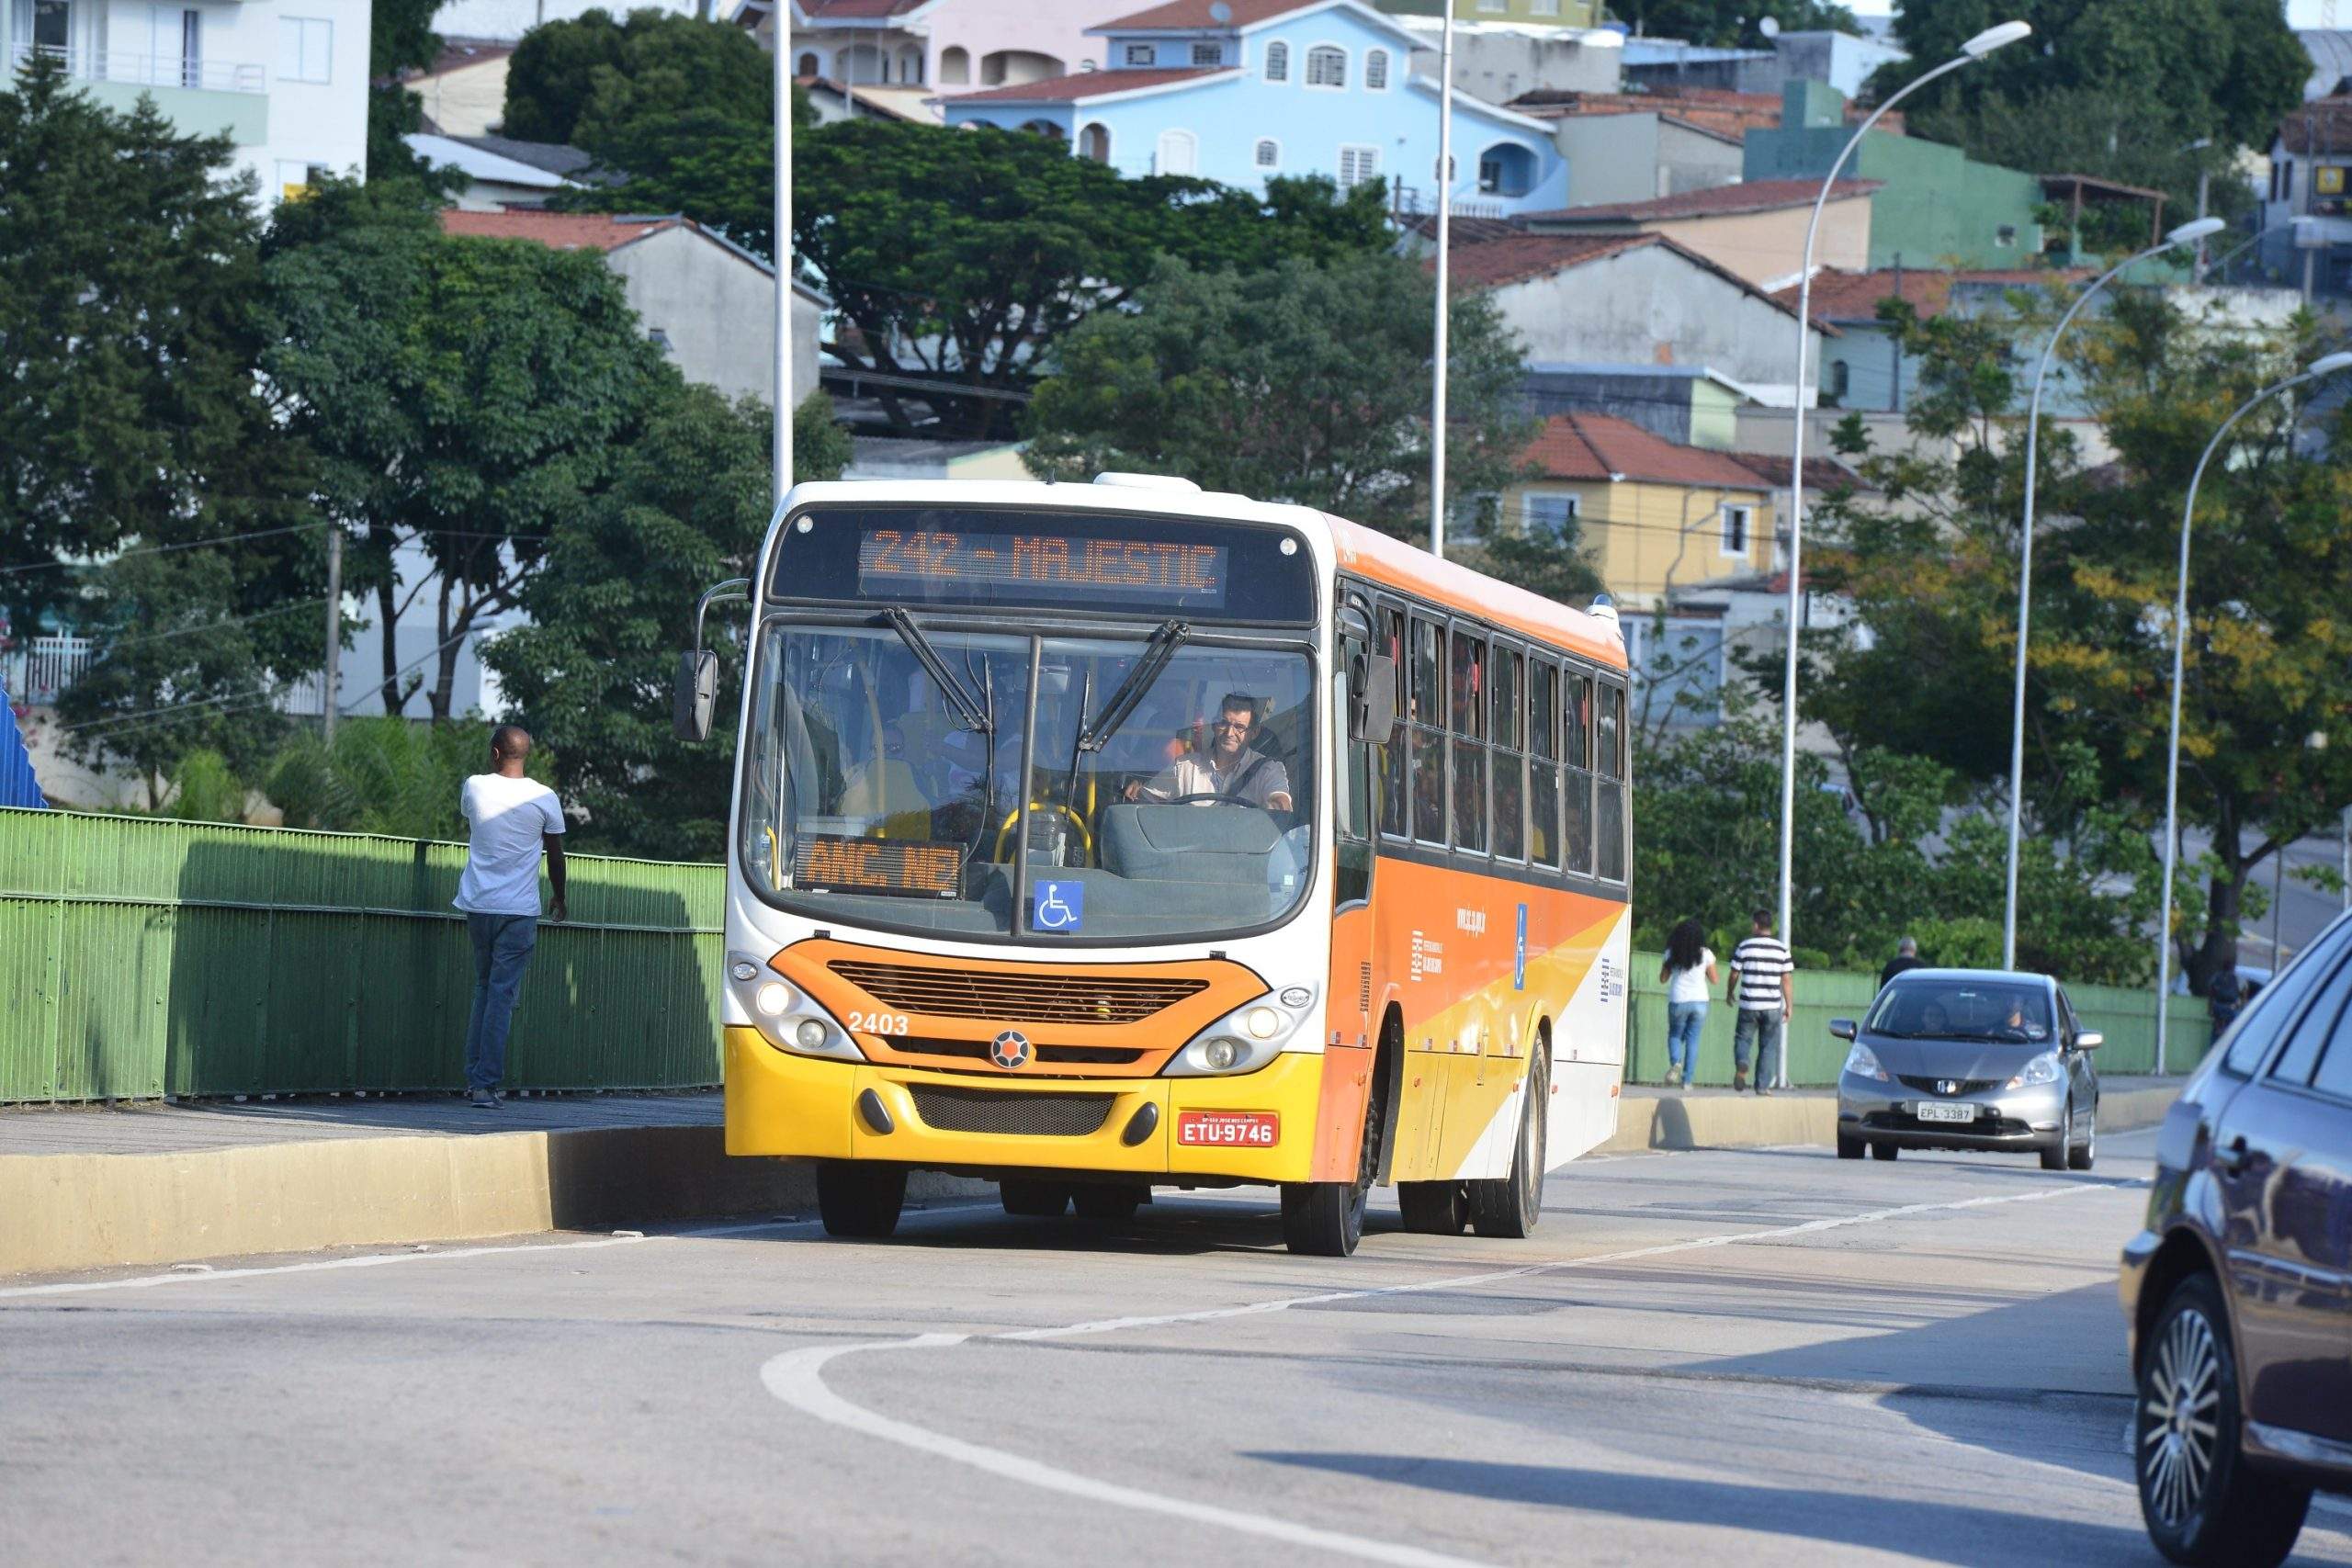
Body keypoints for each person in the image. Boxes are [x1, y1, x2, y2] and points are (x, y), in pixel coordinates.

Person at [454, 726, 567, 1108]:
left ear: (496, 753)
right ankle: (485, 1084)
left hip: (478, 905)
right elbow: (555, 855)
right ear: (525, 754)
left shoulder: (474, 787)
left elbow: (470, 820)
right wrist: (559, 897)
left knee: (483, 989)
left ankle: (476, 1081)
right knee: (501, 996)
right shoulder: (543, 797)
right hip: (518, 911)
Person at [1126, 693, 1293, 811]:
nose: (1229, 733)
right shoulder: (1184, 766)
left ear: (1254, 733)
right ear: (1214, 725)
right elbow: (1148, 805)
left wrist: (1276, 806)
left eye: (1239, 727)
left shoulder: (1267, 769)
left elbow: (1280, 801)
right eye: (1224, 723)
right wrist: (1136, 789)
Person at [1727, 908, 1794, 1095]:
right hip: (1772, 1006)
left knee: (1743, 1039)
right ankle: (1762, 1086)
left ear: (1756, 925)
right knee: (1768, 1046)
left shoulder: (1745, 946)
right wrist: (1789, 1006)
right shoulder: (1782, 949)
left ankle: (1743, 1062)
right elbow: (1786, 979)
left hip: (1749, 1004)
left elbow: (1734, 973)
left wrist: (1729, 992)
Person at [1658, 919, 1717, 1089]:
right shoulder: (1706, 954)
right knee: (1693, 1039)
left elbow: (1663, 979)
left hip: (1678, 1000)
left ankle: (1676, 1062)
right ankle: (1687, 1081)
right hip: (1700, 1002)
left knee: (1675, 1035)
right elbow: (1715, 980)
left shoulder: (1671, 953)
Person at [2208, 964, 2245, 1034]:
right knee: (2230, 1028)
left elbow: (2211, 993)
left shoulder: (2217, 976)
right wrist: (2241, 1006)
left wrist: (2210, 1009)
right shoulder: (2236, 978)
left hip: (2218, 1005)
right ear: (2232, 968)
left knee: (2216, 1026)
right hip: (2231, 1006)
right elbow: (2243, 991)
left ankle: (2216, 1035)